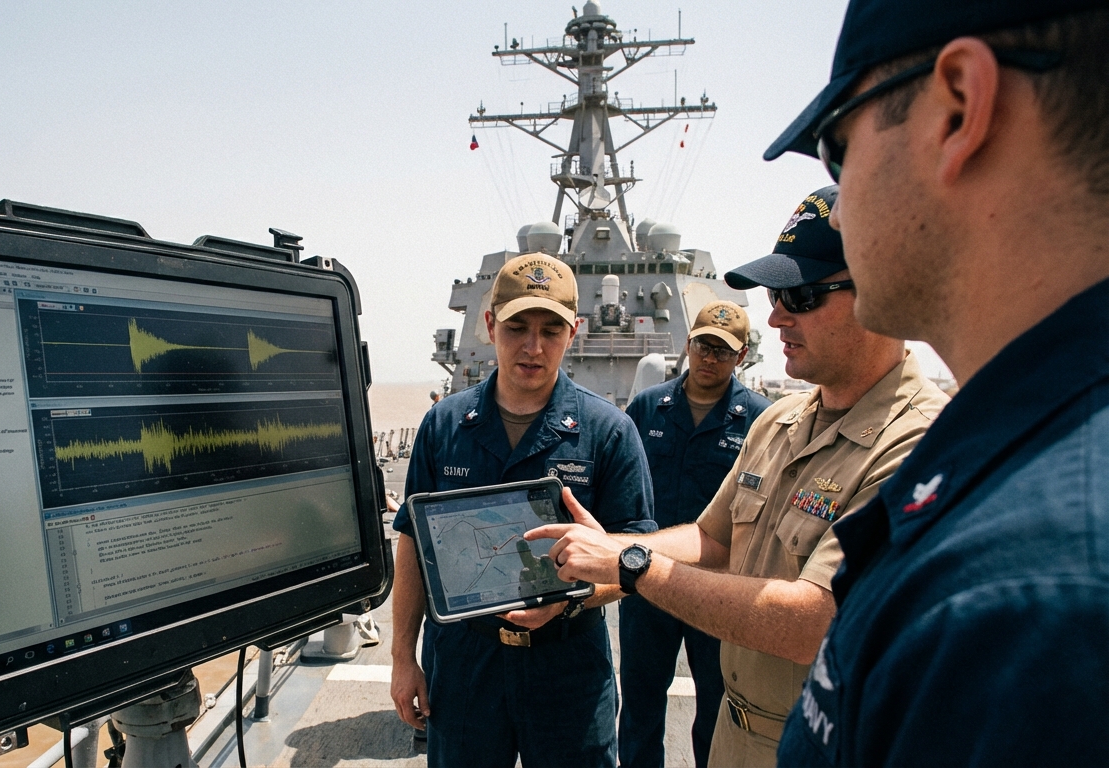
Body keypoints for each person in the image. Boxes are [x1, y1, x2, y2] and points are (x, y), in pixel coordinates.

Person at [762, 1, 1109, 764]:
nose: (839, 207)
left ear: (957, 109)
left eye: (837, 151)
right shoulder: (1022, 460)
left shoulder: (1031, 596)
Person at [526, 186, 948, 767]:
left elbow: (813, 621)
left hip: (824, 744)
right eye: (776, 295)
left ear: (881, 293)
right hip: (735, 731)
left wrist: (631, 565)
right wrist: (586, 581)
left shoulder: (920, 443)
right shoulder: (780, 421)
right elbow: (714, 540)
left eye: (799, 295)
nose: (774, 317)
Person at [389, 253, 655, 768]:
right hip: (466, 662)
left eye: (550, 329)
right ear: (491, 326)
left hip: (567, 663)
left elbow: (634, 560)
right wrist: (403, 658)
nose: (533, 347)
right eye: (518, 327)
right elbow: (412, 546)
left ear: (573, 332)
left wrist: (569, 600)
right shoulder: (443, 427)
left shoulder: (608, 434)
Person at [619, 300, 770, 768]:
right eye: (704, 345)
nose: (710, 358)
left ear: (740, 356)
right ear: (688, 344)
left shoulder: (760, 420)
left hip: (718, 586)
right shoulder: (647, 407)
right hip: (649, 580)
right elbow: (624, 488)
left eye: (723, 351)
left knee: (716, 702)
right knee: (641, 699)